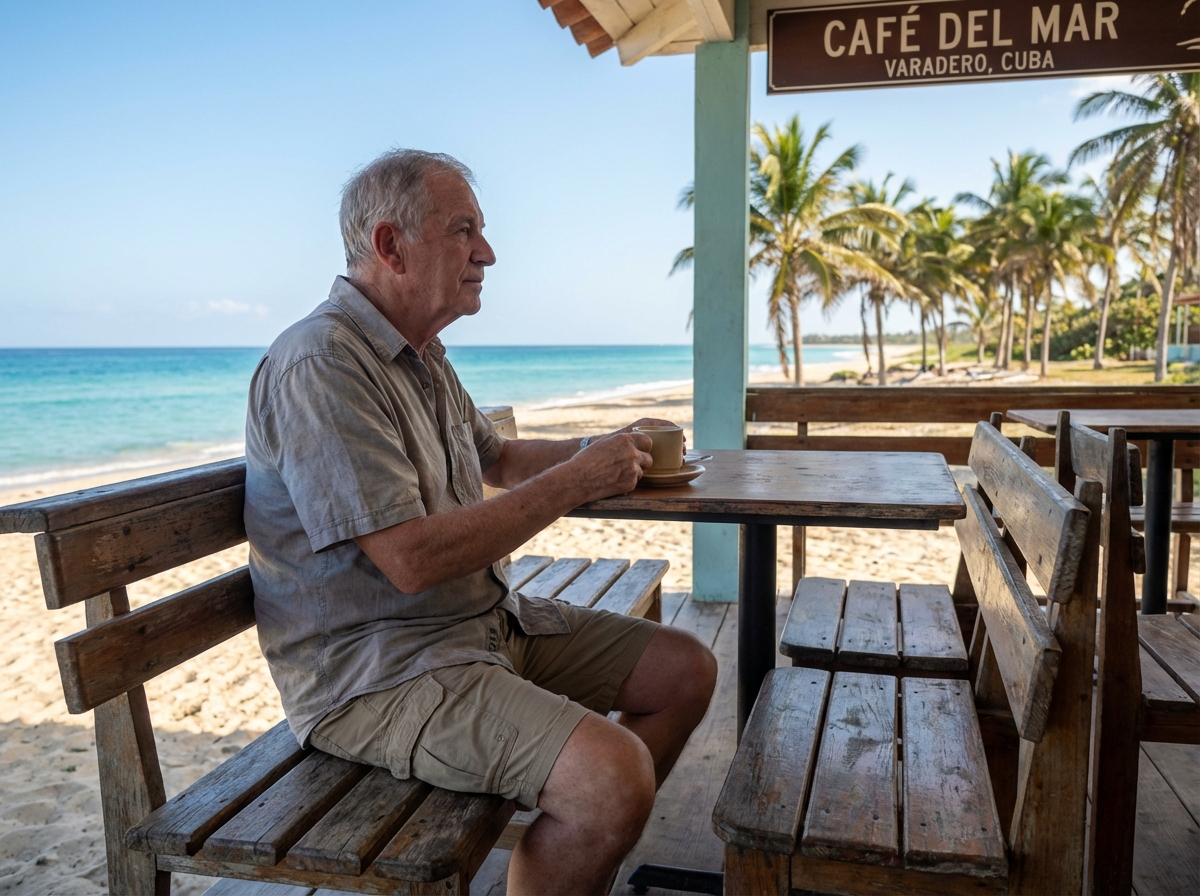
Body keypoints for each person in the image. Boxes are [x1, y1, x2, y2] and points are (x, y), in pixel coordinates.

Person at [244, 149, 717, 895]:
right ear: (391, 246)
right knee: (613, 778)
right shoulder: (321, 364)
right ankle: (585, 815)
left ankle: (569, 844)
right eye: (464, 231)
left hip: (477, 624)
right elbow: (408, 559)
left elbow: (498, 457)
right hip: (375, 675)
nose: (487, 253)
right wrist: (573, 482)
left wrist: (609, 446)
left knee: (685, 670)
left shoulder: (421, 353)